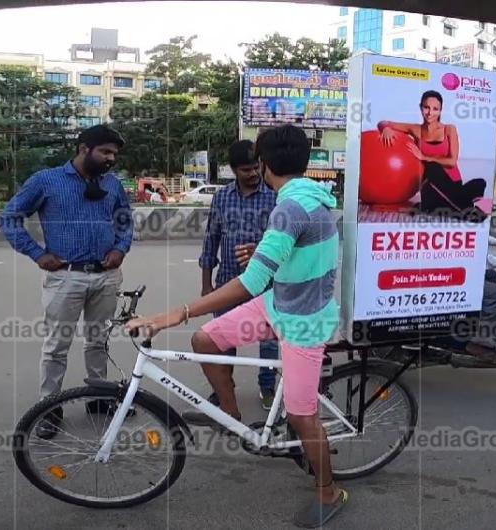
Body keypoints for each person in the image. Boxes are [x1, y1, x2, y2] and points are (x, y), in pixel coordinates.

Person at [126, 124, 347, 528]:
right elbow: (282, 252)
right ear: (304, 161)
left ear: (263, 164)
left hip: (305, 321)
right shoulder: (301, 198)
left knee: (302, 415)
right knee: (206, 339)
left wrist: (175, 313)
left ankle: (329, 492)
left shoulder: (291, 206)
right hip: (278, 303)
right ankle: (232, 417)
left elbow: (251, 283)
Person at [0, 125, 132, 439]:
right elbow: (9, 217)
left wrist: (120, 247)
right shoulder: (46, 181)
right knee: (57, 347)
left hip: (105, 276)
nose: (111, 159)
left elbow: (125, 220)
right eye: (105, 152)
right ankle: (49, 407)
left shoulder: (112, 184)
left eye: (114, 153)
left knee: (98, 341)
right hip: (65, 277)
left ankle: (99, 399)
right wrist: (36, 253)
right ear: (84, 148)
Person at [199, 139, 279, 409]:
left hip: (266, 283)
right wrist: (206, 284)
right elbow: (211, 239)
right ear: (233, 170)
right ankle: (224, 389)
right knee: (222, 339)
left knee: (268, 341)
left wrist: (261, 250)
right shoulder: (222, 197)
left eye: (256, 167)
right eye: (246, 169)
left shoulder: (275, 195)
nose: (254, 173)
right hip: (228, 282)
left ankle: (267, 387)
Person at [378, 90, 488, 220]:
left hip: (453, 184)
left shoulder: (449, 129)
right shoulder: (415, 129)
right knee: (432, 168)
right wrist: (385, 128)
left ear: (440, 111)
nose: (430, 113)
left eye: (435, 109)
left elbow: (452, 161)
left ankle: (432, 208)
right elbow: (384, 122)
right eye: (426, 107)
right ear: (421, 107)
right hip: (430, 185)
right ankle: (466, 212)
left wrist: (425, 157)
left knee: (480, 183)